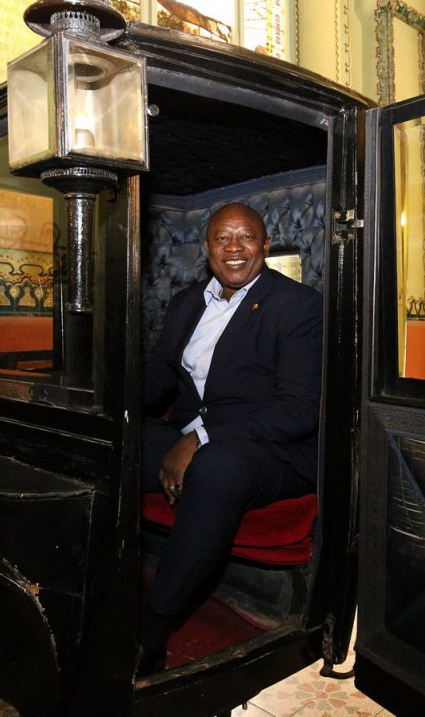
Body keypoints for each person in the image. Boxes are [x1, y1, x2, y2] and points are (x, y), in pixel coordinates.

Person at [138, 202, 323, 674]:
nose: (234, 248)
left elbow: (298, 410)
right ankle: (95, 586)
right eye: (222, 238)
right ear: (207, 248)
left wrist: (201, 438)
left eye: (246, 238)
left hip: (271, 450)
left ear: (265, 246)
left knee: (216, 467)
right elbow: (158, 376)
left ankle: (153, 628)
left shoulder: (299, 306)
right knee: (113, 443)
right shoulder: (187, 303)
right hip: (192, 433)